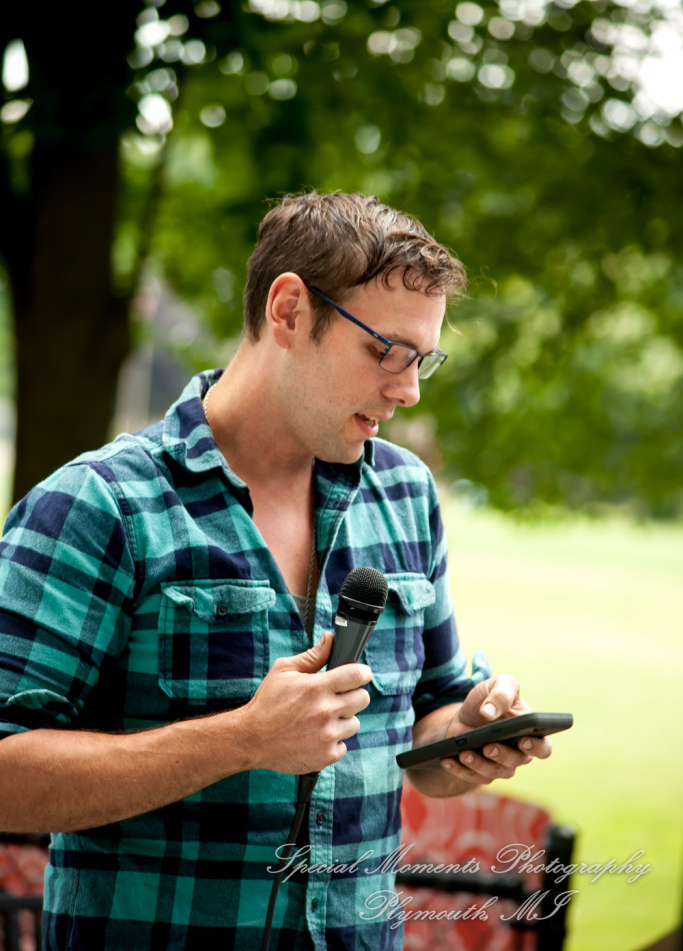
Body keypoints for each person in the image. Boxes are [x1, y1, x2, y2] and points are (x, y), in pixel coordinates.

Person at [0, 191, 550, 950]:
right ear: (288, 311)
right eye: (385, 351)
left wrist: (469, 731)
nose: (409, 388)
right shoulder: (99, 506)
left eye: (422, 359)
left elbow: (428, 729)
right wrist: (243, 740)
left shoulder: (404, 493)